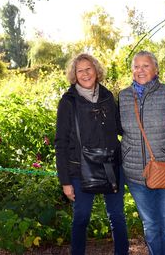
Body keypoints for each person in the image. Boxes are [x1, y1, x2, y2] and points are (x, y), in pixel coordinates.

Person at [54, 53, 129, 255]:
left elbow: (121, 128)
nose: (86, 74)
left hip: (111, 166)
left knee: (117, 216)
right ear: (74, 75)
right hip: (80, 169)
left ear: (96, 71)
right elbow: (60, 143)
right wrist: (65, 181)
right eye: (80, 70)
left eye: (89, 69)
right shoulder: (68, 102)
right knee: (81, 217)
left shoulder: (107, 97)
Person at [119, 50, 165, 255]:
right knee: (151, 226)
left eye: (146, 65)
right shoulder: (123, 96)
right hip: (136, 172)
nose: (140, 70)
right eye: (136, 66)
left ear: (156, 69)